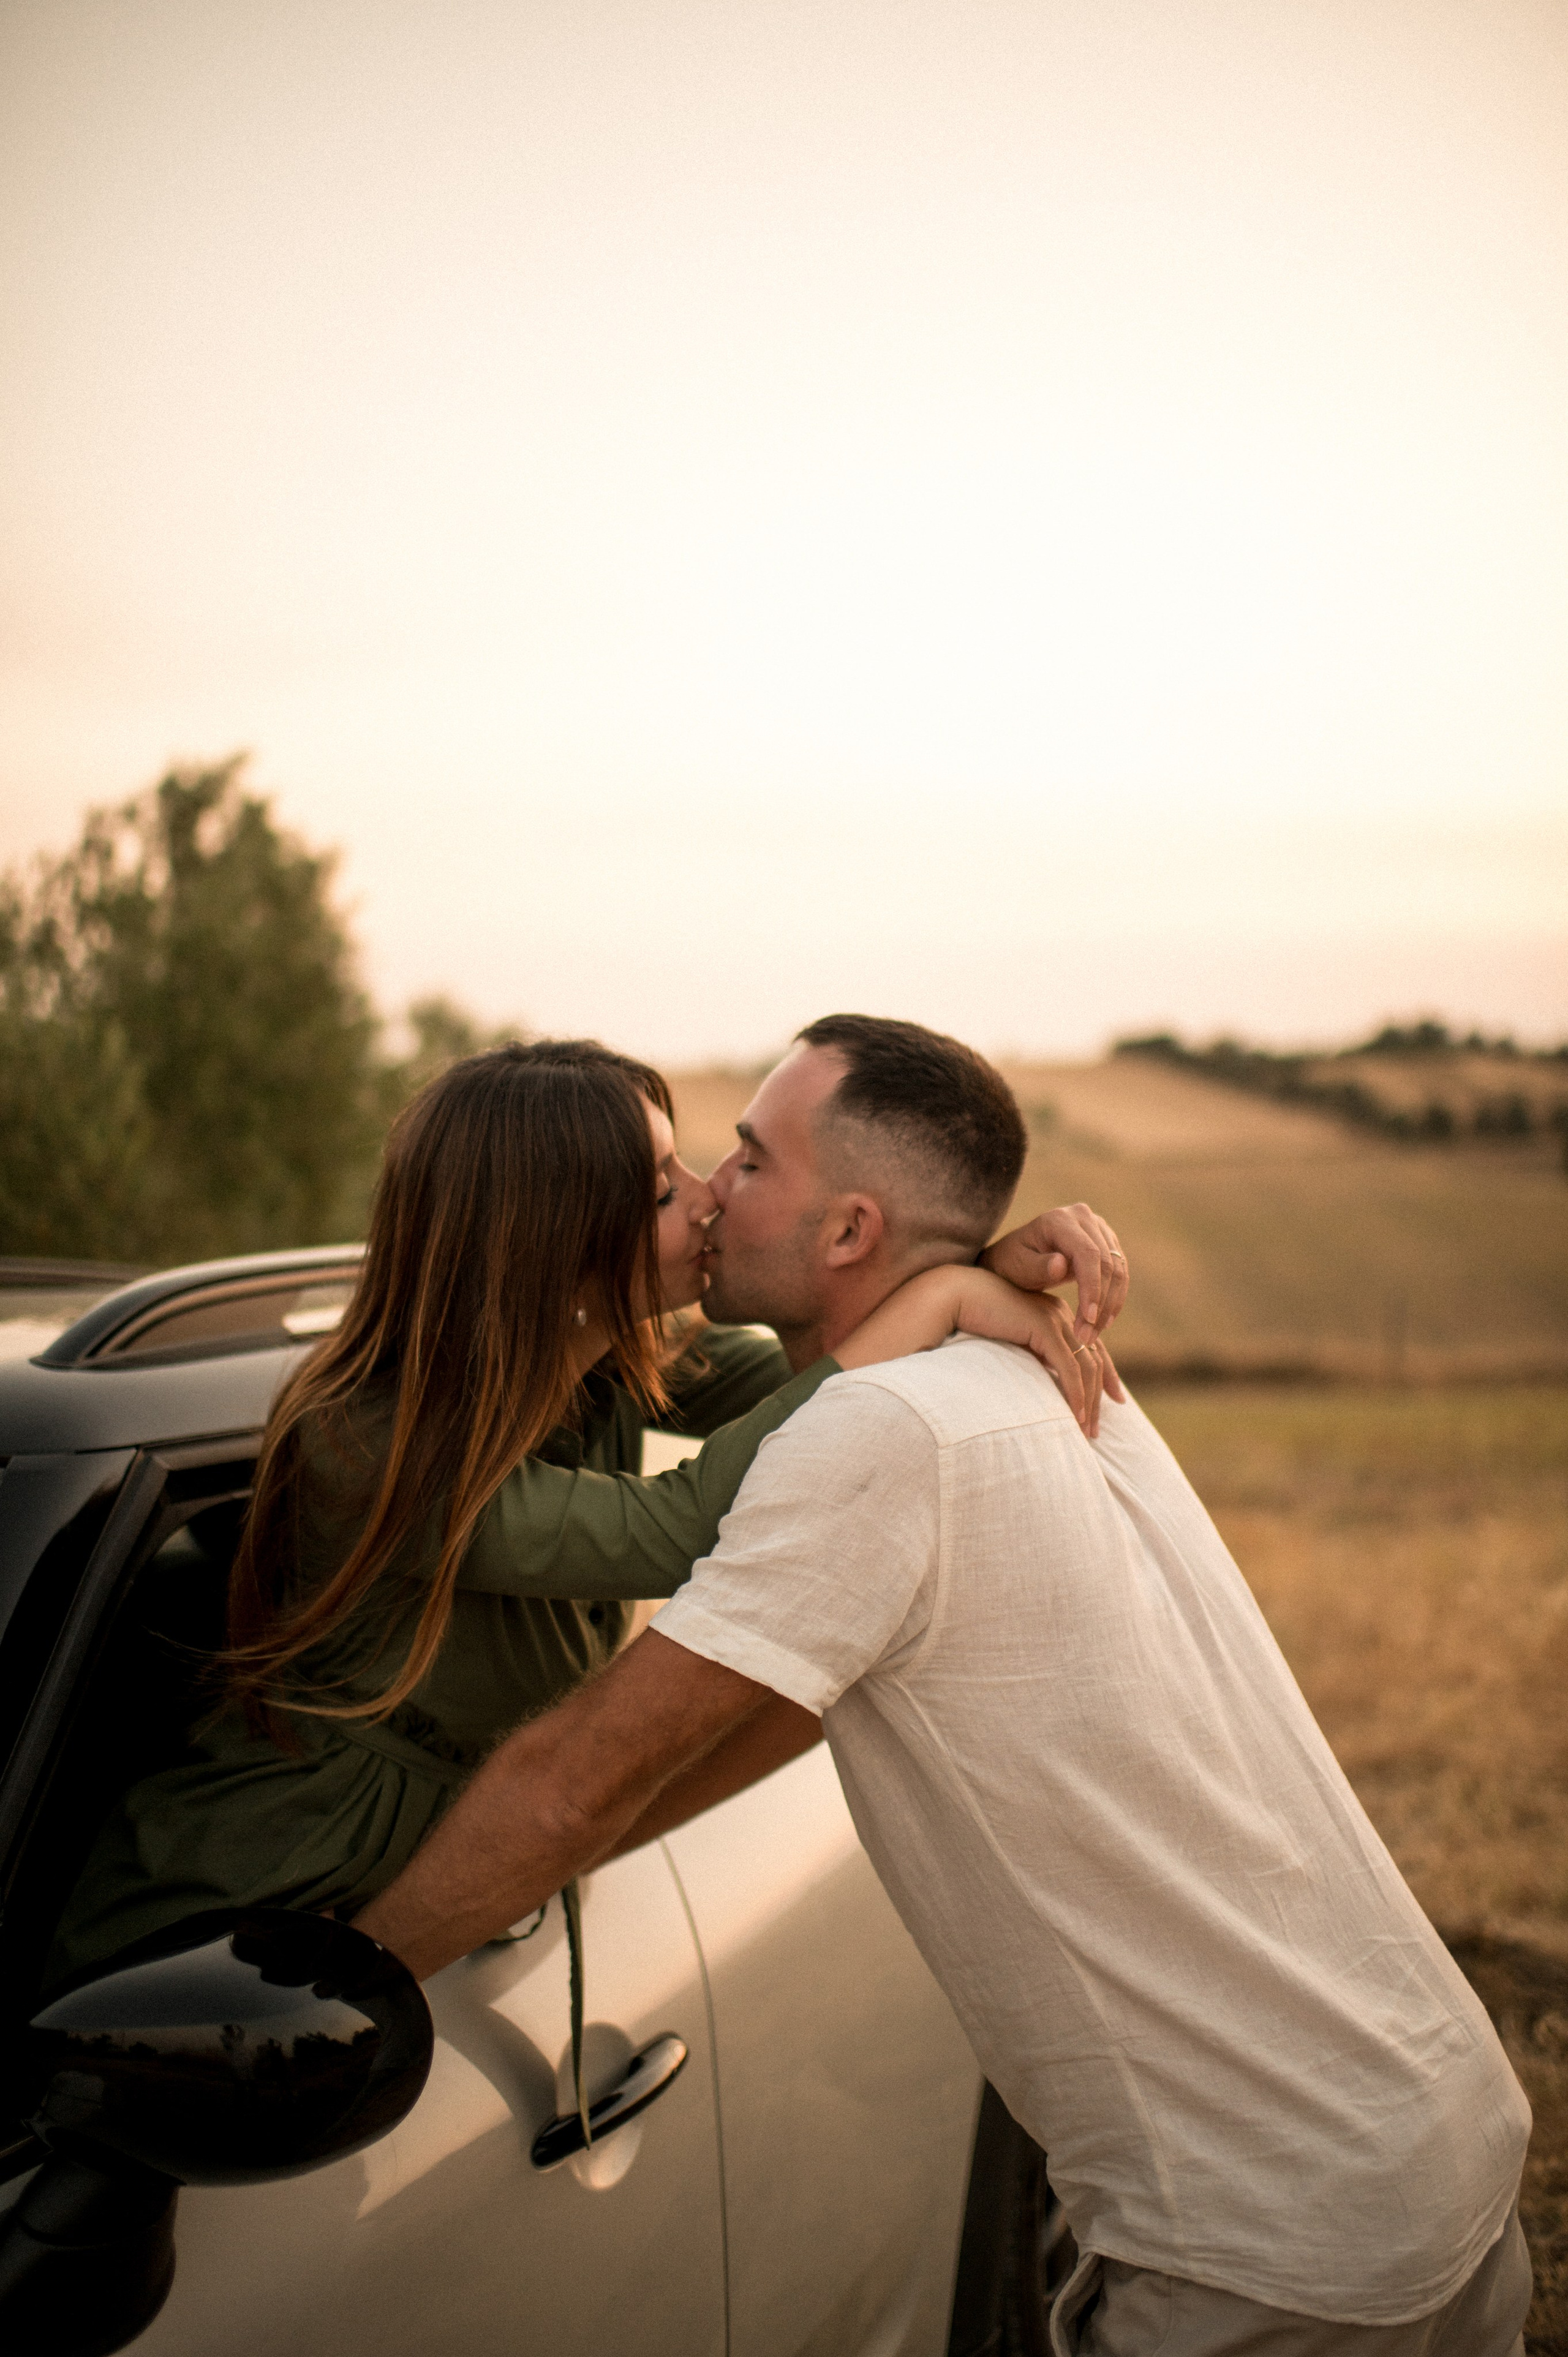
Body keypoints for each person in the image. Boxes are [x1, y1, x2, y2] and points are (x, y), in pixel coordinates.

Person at [359, 1016, 1533, 2357]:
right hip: (1431, 2131)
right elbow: (796, 1703)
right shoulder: (1021, 1362)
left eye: (745, 1157)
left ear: (851, 1229)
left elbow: (569, 1781)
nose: (710, 1193)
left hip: (1268, 2245)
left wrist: (341, 1992)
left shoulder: (876, 1433)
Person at [48, 1033, 1125, 1985]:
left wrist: (955, 1262)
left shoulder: (605, 1353)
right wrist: (943, 1298)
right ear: (549, 1243)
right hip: (257, 1881)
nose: (709, 1196)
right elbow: (679, 1524)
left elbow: (831, 1388)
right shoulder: (365, 1439)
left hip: (440, 1839)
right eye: (663, 1189)